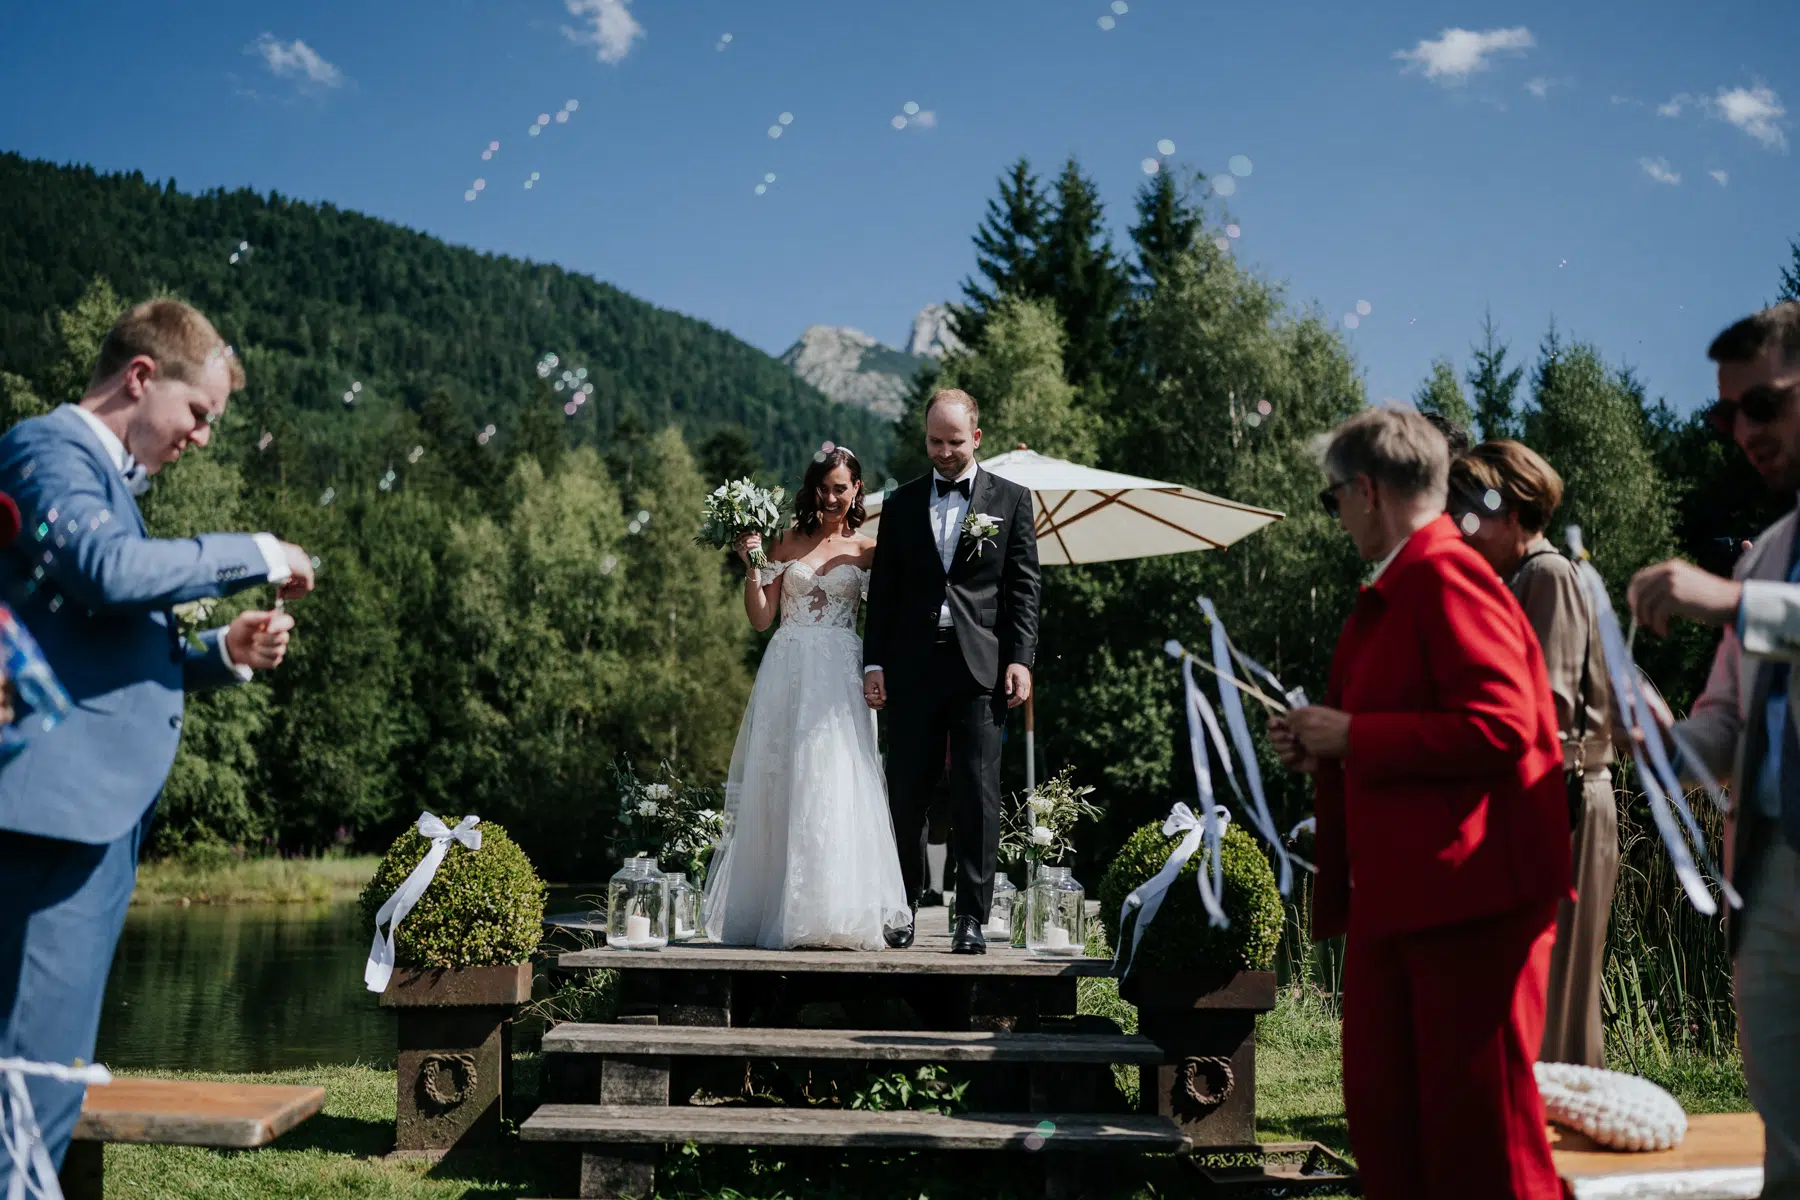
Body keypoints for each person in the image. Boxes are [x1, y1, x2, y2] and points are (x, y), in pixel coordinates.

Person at [0, 298, 314, 1178]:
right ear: (142, 377)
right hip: (52, 821)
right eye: (199, 414)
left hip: (84, 823)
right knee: (27, 1082)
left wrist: (222, 651)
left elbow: (94, 646)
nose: (203, 437)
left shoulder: (99, 481)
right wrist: (256, 548)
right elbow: (108, 573)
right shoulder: (48, 449)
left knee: (44, 1079)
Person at [1270, 406, 1569, 1200]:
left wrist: (1356, 738)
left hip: (1469, 907)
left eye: (1332, 498)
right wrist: (1324, 747)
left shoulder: (1446, 573)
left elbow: (1506, 726)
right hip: (1408, 902)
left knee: (1482, 1149)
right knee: (1396, 1137)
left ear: (1367, 490)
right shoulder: (1410, 578)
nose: (1335, 516)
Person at [1628, 300, 1800, 1196]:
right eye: (1723, 415)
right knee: (1789, 1150)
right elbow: (1727, 733)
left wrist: (1728, 603)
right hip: (1768, 883)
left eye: (1762, 405)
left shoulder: (1746, 586)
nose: (1741, 433)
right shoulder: (1768, 551)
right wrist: (1655, 739)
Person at [701, 446, 909, 950]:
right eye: (825, 487)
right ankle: (777, 907)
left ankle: (834, 909)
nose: (833, 497)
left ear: (857, 489)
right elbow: (760, 618)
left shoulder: (868, 551)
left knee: (835, 778)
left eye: (842, 488)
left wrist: (881, 672)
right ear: (812, 488)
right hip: (787, 667)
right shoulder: (784, 542)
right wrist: (752, 566)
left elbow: (886, 621)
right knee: (782, 779)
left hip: (839, 673)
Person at [1450, 440, 1616, 1068]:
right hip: (1537, 796)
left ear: (1514, 514)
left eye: (1471, 514)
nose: (1460, 530)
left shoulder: (1547, 575)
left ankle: (1561, 1144)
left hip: (1565, 797)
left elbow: (1545, 707)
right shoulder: (1514, 579)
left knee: (1556, 992)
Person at [862, 389, 1041, 954]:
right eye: (934, 441)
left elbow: (1024, 589)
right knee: (906, 792)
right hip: (912, 665)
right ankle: (902, 907)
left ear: (977, 438)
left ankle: (971, 917)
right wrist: (874, 662)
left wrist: (1020, 657)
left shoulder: (1011, 500)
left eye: (954, 442)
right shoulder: (902, 502)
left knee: (977, 793)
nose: (943, 451)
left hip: (980, 666)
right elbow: (884, 590)